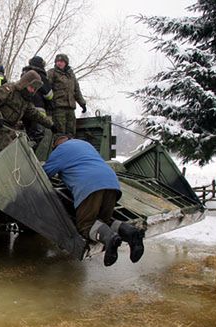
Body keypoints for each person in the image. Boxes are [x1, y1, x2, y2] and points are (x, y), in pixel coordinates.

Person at [43, 135, 144, 266]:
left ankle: (110, 239)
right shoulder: (85, 144)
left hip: (89, 186)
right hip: (112, 183)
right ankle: (131, 233)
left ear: (56, 146)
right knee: (103, 223)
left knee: (86, 226)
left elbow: (43, 174)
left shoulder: (59, 151)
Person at [0, 70, 56, 154]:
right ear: (25, 83)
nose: (32, 90)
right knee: (12, 151)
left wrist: (51, 125)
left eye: (34, 89)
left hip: (8, 130)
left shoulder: (26, 100)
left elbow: (35, 114)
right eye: (31, 87)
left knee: (22, 148)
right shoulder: (10, 89)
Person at [47, 54, 87, 136]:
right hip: (58, 108)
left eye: (61, 61)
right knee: (60, 133)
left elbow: (76, 90)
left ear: (66, 63)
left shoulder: (71, 75)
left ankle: (70, 148)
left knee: (71, 133)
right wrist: (49, 104)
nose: (59, 63)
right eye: (57, 61)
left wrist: (82, 103)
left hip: (70, 108)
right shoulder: (52, 73)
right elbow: (47, 88)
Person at [21, 56, 54, 147]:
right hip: (38, 110)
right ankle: (29, 154)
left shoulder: (24, 74)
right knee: (37, 136)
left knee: (27, 134)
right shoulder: (40, 75)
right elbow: (49, 95)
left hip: (24, 110)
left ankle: (24, 152)